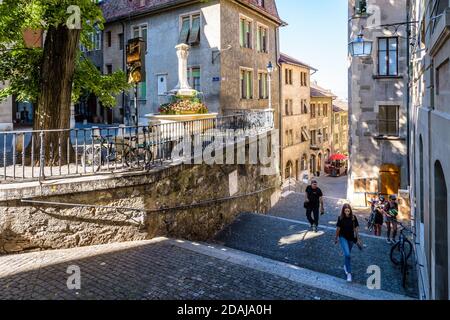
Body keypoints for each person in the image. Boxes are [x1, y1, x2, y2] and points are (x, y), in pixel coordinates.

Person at [335, 203, 359, 282]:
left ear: (350, 210)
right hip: (342, 237)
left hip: (351, 238)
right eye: (345, 211)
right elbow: (338, 228)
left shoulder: (353, 217)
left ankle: (345, 266)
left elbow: (356, 228)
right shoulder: (340, 218)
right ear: (343, 211)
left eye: (348, 211)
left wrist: (357, 237)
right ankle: (349, 273)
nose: (347, 212)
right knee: (347, 254)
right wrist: (336, 238)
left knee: (347, 255)